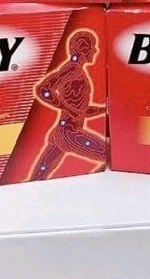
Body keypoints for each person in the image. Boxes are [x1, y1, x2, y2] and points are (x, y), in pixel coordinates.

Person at [30, 30, 106, 180]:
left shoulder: (76, 70)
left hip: (61, 132)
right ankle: (97, 185)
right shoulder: (73, 69)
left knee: (39, 175)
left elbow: (81, 111)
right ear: (83, 49)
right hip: (70, 134)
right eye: (93, 46)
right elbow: (43, 90)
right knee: (111, 155)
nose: (96, 50)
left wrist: (105, 109)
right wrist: (68, 108)